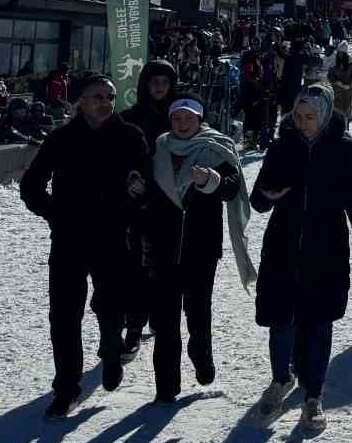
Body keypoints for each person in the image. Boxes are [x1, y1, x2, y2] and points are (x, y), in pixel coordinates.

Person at [20, 73, 150, 419]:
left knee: (110, 305)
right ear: (79, 101)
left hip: (112, 236)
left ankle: (111, 350)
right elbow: (31, 186)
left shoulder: (130, 136)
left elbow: (144, 183)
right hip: (69, 239)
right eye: (97, 96)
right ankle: (65, 388)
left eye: (109, 96)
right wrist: (54, 214)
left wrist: (135, 198)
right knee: (64, 315)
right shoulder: (62, 139)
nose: (106, 102)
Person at [251, 86, 352, 431]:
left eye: (310, 117)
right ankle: (281, 381)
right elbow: (258, 200)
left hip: (326, 249)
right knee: (281, 322)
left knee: (319, 324)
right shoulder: (281, 147)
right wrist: (267, 192)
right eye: (298, 116)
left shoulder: (344, 149)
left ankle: (313, 397)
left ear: (323, 116)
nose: (303, 123)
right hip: (282, 247)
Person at [142, 95, 255, 404]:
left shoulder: (215, 147)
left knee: (198, 310)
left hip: (201, 246)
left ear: (199, 119)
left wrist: (211, 179)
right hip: (163, 245)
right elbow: (149, 192)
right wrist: (138, 190)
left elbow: (233, 187)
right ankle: (166, 386)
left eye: (188, 118)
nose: (182, 124)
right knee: (165, 319)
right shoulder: (159, 148)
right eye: (177, 118)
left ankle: (201, 354)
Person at [120, 58, 179, 352]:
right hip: (136, 201)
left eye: (165, 82)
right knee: (135, 265)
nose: (159, 87)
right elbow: (118, 158)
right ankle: (133, 325)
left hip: (169, 201)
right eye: (154, 82)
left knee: (164, 265)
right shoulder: (130, 117)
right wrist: (129, 178)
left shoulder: (179, 116)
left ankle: (157, 316)